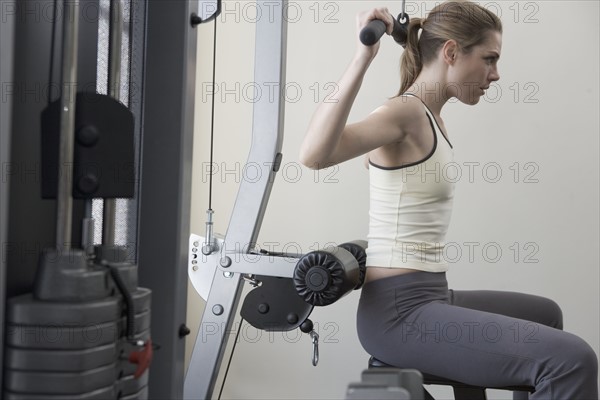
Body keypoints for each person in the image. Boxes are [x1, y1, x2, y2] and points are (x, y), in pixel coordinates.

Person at [299, 1, 599, 399]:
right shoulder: (404, 112)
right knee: (573, 360)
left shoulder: (431, 116)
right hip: (397, 315)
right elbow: (314, 156)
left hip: (430, 295)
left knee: (546, 315)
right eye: (489, 59)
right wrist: (363, 56)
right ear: (452, 52)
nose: (496, 75)